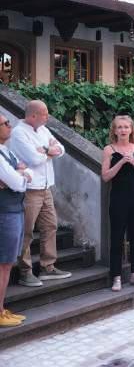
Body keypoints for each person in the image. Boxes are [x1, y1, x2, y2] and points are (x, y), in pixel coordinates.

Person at [11, 100, 70, 287]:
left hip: (46, 187)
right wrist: (49, 151)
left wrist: (45, 150)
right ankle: (25, 272)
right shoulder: (19, 133)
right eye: (45, 113)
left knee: (50, 226)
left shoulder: (43, 130)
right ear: (33, 115)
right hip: (29, 189)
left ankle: (47, 267)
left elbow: (62, 149)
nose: (48, 116)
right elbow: (34, 159)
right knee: (26, 231)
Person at [101, 115, 134, 292]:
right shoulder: (109, 149)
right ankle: (117, 277)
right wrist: (121, 161)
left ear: (131, 130)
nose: (123, 130)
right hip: (118, 197)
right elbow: (105, 176)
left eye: (126, 127)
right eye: (119, 127)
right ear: (114, 130)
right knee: (117, 237)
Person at [0, 115, 32, 327]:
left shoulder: (6, 151)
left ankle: (1, 309)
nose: (9, 125)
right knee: (3, 264)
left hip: (14, 210)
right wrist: (20, 175)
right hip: (5, 213)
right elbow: (18, 183)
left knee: (7, 264)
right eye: (4, 123)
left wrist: (20, 173)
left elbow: (27, 172)